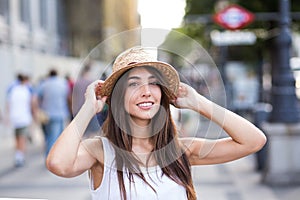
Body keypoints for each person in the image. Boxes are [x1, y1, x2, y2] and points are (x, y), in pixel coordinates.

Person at [46, 47, 266, 200]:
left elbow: (254, 141)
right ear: (118, 97)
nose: (146, 92)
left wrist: (199, 102)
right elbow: (58, 164)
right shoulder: (99, 151)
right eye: (133, 84)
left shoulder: (180, 151)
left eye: (154, 83)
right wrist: (89, 108)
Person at [6, 73, 37, 167]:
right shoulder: (27, 89)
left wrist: (7, 116)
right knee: (22, 138)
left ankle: (17, 156)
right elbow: (32, 103)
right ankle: (20, 157)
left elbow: (8, 104)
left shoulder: (12, 89)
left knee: (17, 138)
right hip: (24, 118)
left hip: (14, 118)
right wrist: (35, 115)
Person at [37, 69, 69, 156]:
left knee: (50, 136)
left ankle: (50, 156)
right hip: (61, 113)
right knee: (59, 137)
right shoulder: (63, 84)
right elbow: (67, 97)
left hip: (47, 114)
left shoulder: (44, 84)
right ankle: (53, 157)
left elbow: (37, 97)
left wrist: (40, 107)